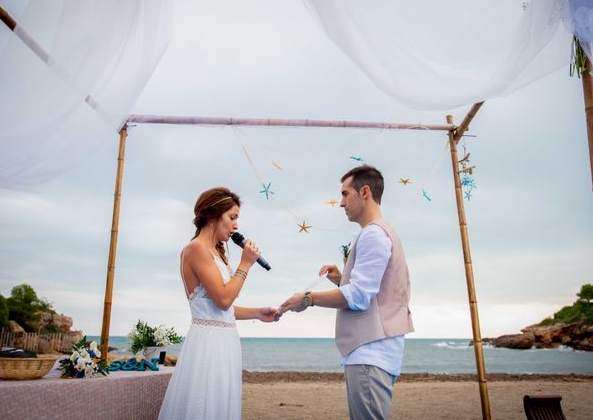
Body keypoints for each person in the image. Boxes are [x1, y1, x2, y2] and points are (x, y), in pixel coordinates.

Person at [280, 165, 414, 420]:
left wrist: (307, 299)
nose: (341, 203)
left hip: (369, 353)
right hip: (377, 352)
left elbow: (360, 297)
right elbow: (375, 291)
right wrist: (342, 280)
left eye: (345, 194)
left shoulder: (374, 234)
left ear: (364, 192)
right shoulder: (382, 231)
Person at [158, 187, 278, 420]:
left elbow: (220, 309)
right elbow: (223, 300)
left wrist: (256, 313)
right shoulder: (195, 249)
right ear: (214, 215)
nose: (236, 226)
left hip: (226, 341)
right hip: (207, 345)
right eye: (232, 218)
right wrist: (245, 264)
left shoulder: (217, 253)